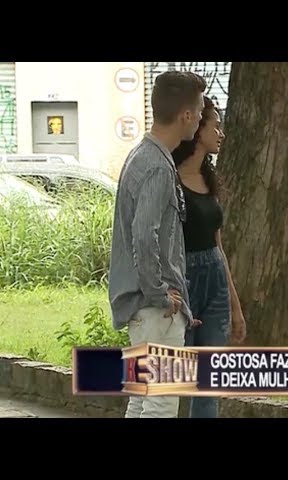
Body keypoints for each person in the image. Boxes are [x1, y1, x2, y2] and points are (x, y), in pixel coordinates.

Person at [109, 71, 207, 418]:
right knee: (161, 403)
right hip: (155, 309)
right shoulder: (157, 166)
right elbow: (143, 235)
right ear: (186, 115)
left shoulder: (143, 155)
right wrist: (161, 294)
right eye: (199, 112)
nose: (200, 119)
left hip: (145, 309)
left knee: (142, 400)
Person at [172, 96, 246, 418]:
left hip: (215, 277)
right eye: (216, 126)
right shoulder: (170, 179)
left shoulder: (209, 179)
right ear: (198, 128)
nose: (221, 133)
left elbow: (218, 245)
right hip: (184, 279)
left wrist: (235, 306)